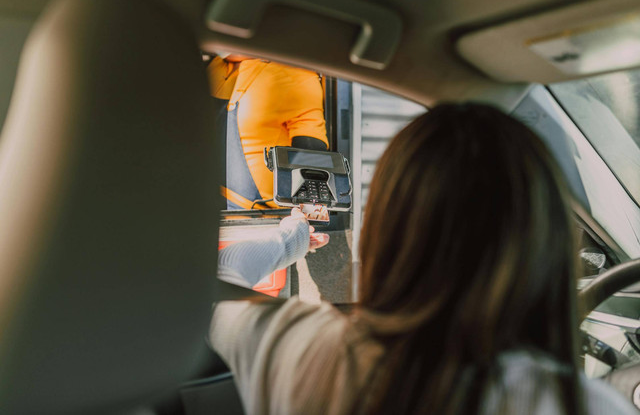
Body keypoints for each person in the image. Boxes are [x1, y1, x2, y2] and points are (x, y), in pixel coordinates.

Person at [210, 103, 637, 414]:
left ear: (384, 230)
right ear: (546, 240)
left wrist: (293, 236)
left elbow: (215, 282)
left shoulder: (297, 348)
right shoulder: (575, 403)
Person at [207, 54, 329, 210]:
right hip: (208, 209)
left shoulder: (295, 74)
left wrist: (309, 220)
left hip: (260, 219)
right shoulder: (214, 66)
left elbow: (312, 157)